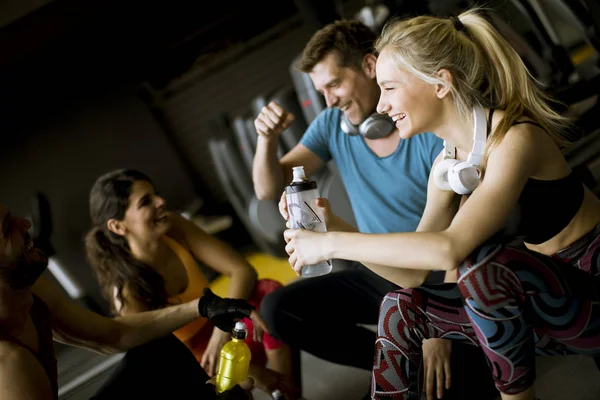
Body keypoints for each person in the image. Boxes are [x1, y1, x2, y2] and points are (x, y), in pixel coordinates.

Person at [281, 8, 600, 400]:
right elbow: (413, 275)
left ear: (440, 83)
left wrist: (331, 246)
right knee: (398, 305)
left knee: (480, 266)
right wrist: (337, 229)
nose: (381, 106)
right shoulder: (446, 163)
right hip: (547, 311)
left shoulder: (514, 139)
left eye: (390, 88)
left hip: (590, 297)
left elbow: (451, 248)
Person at [254, 19, 498, 400]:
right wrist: (265, 141)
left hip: (443, 277)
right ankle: (401, 361)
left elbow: (455, 247)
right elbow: (268, 187)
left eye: (334, 84)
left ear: (370, 66)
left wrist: (439, 324)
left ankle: (424, 355)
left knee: (458, 383)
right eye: (321, 90)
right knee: (280, 309)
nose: (329, 100)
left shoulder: (432, 132)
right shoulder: (334, 124)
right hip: (385, 270)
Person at [0, 202, 266, 399]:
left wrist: (203, 307)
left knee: (156, 347)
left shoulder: (31, 291)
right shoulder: (9, 365)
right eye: (6, 229)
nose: (26, 225)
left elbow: (113, 335)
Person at [84, 169, 299, 400]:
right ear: (118, 226)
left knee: (270, 295)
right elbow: (167, 369)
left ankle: (285, 393)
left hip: (225, 335)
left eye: (155, 193)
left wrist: (221, 329)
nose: (161, 202)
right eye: (146, 202)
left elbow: (241, 270)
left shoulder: (172, 226)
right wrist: (249, 370)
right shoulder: (127, 291)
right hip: (194, 366)